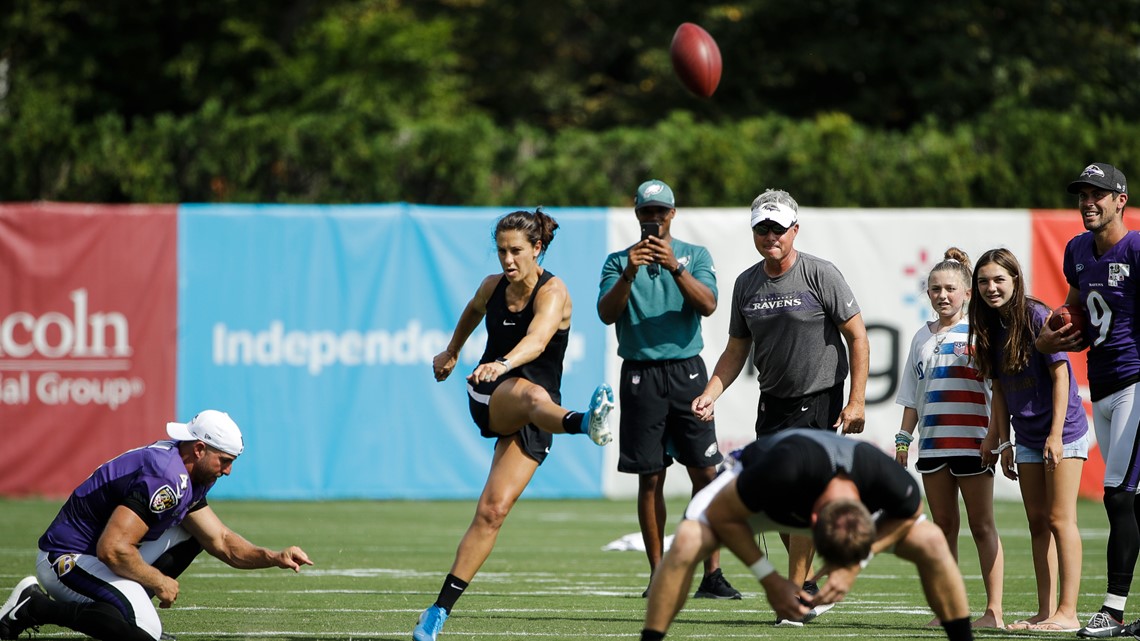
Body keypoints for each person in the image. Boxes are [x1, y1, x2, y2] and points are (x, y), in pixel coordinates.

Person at [414, 208, 615, 641]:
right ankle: (586, 424)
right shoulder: (492, 287)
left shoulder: (553, 291)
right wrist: (452, 352)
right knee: (527, 395)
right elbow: (472, 311)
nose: (507, 259)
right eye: (502, 250)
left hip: (540, 413)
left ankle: (437, 611)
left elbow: (538, 341)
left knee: (492, 512)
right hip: (491, 396)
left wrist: (505, 361)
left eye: (516, 251)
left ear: (537, 248)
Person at [691, 188, 869, 624]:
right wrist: (711, 392)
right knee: (775, 500)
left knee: (801, 494)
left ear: (794, 228)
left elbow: (858, 336)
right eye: (762, 228)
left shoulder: (819, 273)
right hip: (773, 403)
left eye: (777, 227)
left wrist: (856, 399)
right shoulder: (747, 283)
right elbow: (736, 350)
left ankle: (795, 598)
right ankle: (810, 581)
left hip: (819, 397)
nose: (770, 235)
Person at [0, 410, 313, 641]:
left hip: (99, 553)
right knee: (143, 631)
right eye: (224, 460)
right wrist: (158, 580)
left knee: (195, 535)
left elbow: (221, 541)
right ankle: (34, 606)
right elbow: (112, 549)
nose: (228, 471)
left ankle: (125, 614)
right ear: (200, 449)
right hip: (66, 558)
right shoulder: (166, 476)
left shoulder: (189, 472)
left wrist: (273, 557)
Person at [639, 428, 976, 641]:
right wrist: (769, 580)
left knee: (930, 540)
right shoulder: (782, 471)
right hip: (753, 492)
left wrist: (853, 566)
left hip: (818, 492)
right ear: (812, 522)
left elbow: (911, 515)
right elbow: (722, 517)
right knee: (686, 542)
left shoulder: (882, 477)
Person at [596, 179, 739, 600]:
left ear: (672, 214)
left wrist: (674, 265)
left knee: (706, 474)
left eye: (660, 212)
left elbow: (708, 304)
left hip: (687, 372)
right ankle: (660, 575)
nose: (653, 219)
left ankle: (712, 574)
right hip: (640, 374)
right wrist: (630, 270)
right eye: (646, 212)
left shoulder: (695, 256)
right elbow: (606, 313)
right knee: (649, 477)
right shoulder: (617, 261)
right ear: (636, 215)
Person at [1037, 162, 1138, 638]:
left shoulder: (1136, 247)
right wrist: (1057, 334)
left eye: (1099, 194)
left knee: (1118, 493)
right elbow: (1078, 315)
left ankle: (1112, 611)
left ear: (1121, 199)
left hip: (1137, 381)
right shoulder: (1077, 249)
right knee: (1133, 500)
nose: (1088, 202)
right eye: (1082, 194)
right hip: (1103, 383)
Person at [968, 247, 1089, 632]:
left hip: (1062, 431)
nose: (991, 287)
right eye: (984, 281)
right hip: (1026, 436)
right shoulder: (991, 326)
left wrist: (1055, 435)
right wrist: (1000, 441)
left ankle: (1068, 613)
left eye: (999, 279)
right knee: (1037, 522)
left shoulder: (1037, 315)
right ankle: (1044, 611)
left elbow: (1061, 376)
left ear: (1016, 280)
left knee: (1059, 518)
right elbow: (1000, 390)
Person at [894, 248, 1004, 629]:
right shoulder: (920, 338)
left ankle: (994, 613)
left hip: (974, 445)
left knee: (982, 526)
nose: (943, 295)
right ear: (927, 294)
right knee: (943, 529)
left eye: (951, 289)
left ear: (967, 293)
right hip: (933, 447)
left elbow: (998, 387)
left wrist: (997, 439)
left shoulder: (981, 331)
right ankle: (951, 611)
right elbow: (912, 396)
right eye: (936, 289)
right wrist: (904, 439)